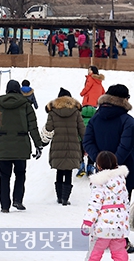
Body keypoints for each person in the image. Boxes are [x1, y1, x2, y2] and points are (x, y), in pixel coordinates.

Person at [83, 84, 134, 254]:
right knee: (121, 206)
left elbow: (87, 141)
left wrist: (100, 162)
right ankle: (122, 240)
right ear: (124, 100)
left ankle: (101, 237)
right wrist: (114, 164)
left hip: (101, 171)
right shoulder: (127, 120)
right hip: (125, 170)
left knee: (100, 204)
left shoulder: (95, 118)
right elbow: (126, 145)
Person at [0, 80, 43, 212]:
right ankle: (18, 200)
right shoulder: (26, 104)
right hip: (21, 144)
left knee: (4, 176)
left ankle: (4, 205)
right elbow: (33, 126)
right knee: (20, 174)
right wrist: (38, 145)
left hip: (3, 145)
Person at [81, 151, 129, 261]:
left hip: (102, 228)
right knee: (120, 254)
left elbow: (94, 204)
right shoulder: (121, 182)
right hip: (119, 227)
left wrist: (87, 222)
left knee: (94, 254)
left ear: (98, 165)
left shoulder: (99, 183)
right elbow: (125, 203)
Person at [44, 88, 85, 206]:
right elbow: (82, 130)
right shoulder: (76, 112)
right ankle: (65, 199)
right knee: (68, 171)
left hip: (58, 144)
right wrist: (86, 144)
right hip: (73, 145)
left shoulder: (52, 112)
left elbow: (49, 128)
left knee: (59, 170)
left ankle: (59, 197)